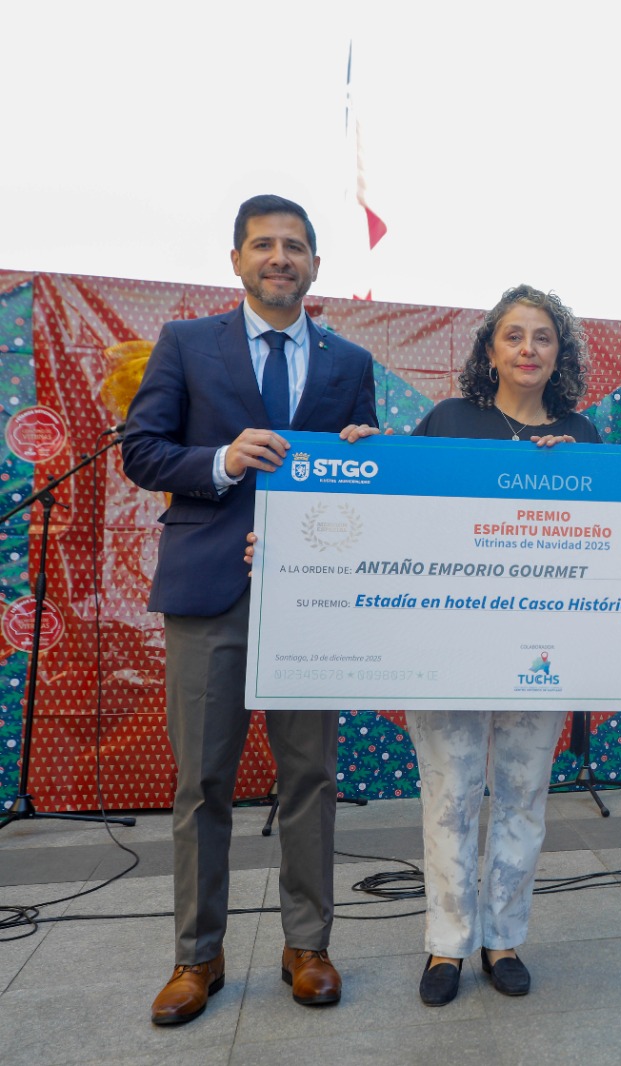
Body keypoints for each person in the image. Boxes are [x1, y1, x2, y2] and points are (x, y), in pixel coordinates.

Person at [122, 194, 377, 1026]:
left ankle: (309, 946)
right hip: (210, 591)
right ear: (236, 259)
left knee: (311, 777)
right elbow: (141, 451)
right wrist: (223, 461)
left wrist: (368, 459)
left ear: (315, 265)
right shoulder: (187, 343)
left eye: (294, 246)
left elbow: (366, 481)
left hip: (312, 597)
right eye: (263, 244)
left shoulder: (349, 363)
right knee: (202, 781)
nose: (279, 258)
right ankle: (197, 956)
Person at [406, 285, 599, 1007]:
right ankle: (446, 944)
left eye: (543, 336)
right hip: (450, 645)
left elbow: (605, 540)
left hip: (540, 653)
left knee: (523, 797)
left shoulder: (582, 436)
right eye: (513, 335)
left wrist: (571, 474)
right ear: (489, 349)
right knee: (449, 797)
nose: (528, 349)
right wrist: (368, 451)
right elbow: (399, 506)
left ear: (560, 351)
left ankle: (504, 939)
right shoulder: (447, 421)